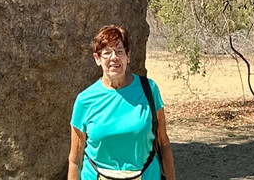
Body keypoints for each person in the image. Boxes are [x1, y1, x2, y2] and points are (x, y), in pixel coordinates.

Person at [68, 25, 177, 180]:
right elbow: (75, 160)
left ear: (128, 56)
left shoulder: (149, 90)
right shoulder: (85, 100)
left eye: (119, 51)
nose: (114, 58)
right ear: (97, 58)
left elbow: (163, 143)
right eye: (106, 53)